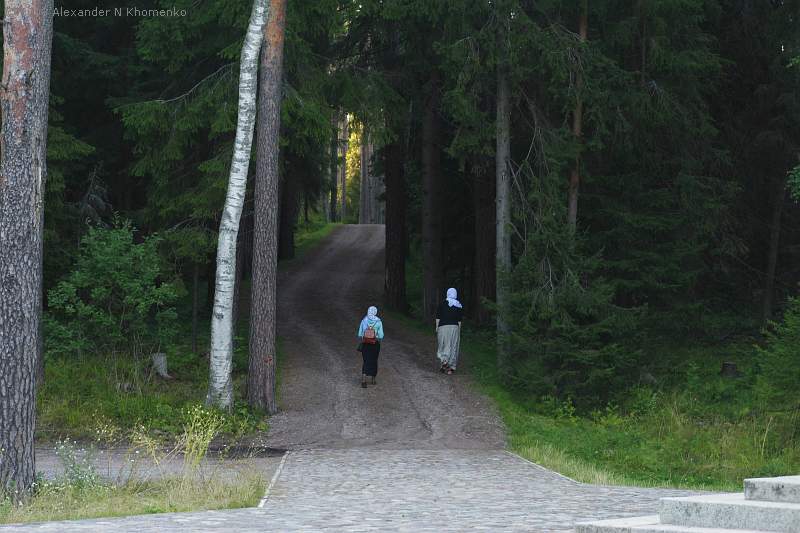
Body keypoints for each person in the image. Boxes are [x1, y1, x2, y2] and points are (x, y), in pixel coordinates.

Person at [436, 288, 463, 375]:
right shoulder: (458, 305)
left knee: (444, 345)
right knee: (453, 346)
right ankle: (451, 367)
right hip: (454, 327)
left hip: (443, 327)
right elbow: (459, 321)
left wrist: (436, 328)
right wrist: (459, 331)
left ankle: (444, 361)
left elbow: (438, 318)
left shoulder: (442, 303)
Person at [357, 305, 384, 388]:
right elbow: (381, 336)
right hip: (375, 344)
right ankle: (373, 379)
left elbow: (359, 334)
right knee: (374, 360)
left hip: (365, 344)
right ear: (375, 312)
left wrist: (365, 337)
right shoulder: (378, 322)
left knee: (366, 361)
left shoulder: (364, 321)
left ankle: (363, 380)